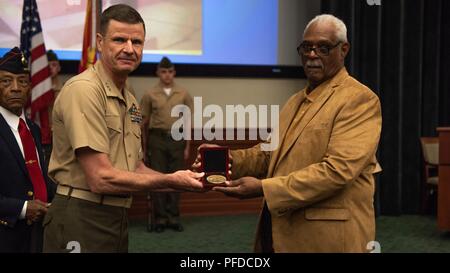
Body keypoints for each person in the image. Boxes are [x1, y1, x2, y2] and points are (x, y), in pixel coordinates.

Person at [194, 14, 382, 252]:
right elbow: (270, 153)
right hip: (282, 231)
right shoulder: (295, 101)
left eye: (323, 48)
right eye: (307, 47)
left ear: (343, 50)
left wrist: (264, 188)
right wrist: (228, 158)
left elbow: (337, 171)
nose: (312, 55)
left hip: (327, 239)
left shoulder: (359, 99)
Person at [43, 4, 203, 253]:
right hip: (82, 215)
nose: (129, 49)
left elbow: (135, 168)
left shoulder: (127, 96)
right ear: (100, 41)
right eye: (119, 39)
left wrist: (181, 181)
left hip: (115, 216)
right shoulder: (85, 90)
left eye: (137, 42)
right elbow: (100, 178)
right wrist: (170, 179)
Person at [0, 47, 55, 252]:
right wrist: (23, 208)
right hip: (6, 235)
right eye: (6, 81)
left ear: (30, 87)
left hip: (38, 233)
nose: (15, 88)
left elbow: (38, 178)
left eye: (22, 81)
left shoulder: (33, 129)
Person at [140, 56, 193, 232]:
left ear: (174, 73)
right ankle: (160, 219)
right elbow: (143, 123)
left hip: (177, 139)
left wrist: (187, 146)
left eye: (170, 71)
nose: (167, 75)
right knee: (158, 179)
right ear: (158, 73)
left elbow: (187, 123)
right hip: (157, 139)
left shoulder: (184, 94)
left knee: (178, 179)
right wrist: (143, 147)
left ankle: (173, 217)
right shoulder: (150, 94)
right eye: (163, 72)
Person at [41, 49, 63, 166]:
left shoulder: (66, 90)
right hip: (41, 135)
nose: (50, 68)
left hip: (59, 137)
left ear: (59, 67)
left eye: (54, 65)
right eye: (47, 65)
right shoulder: (36, 94)